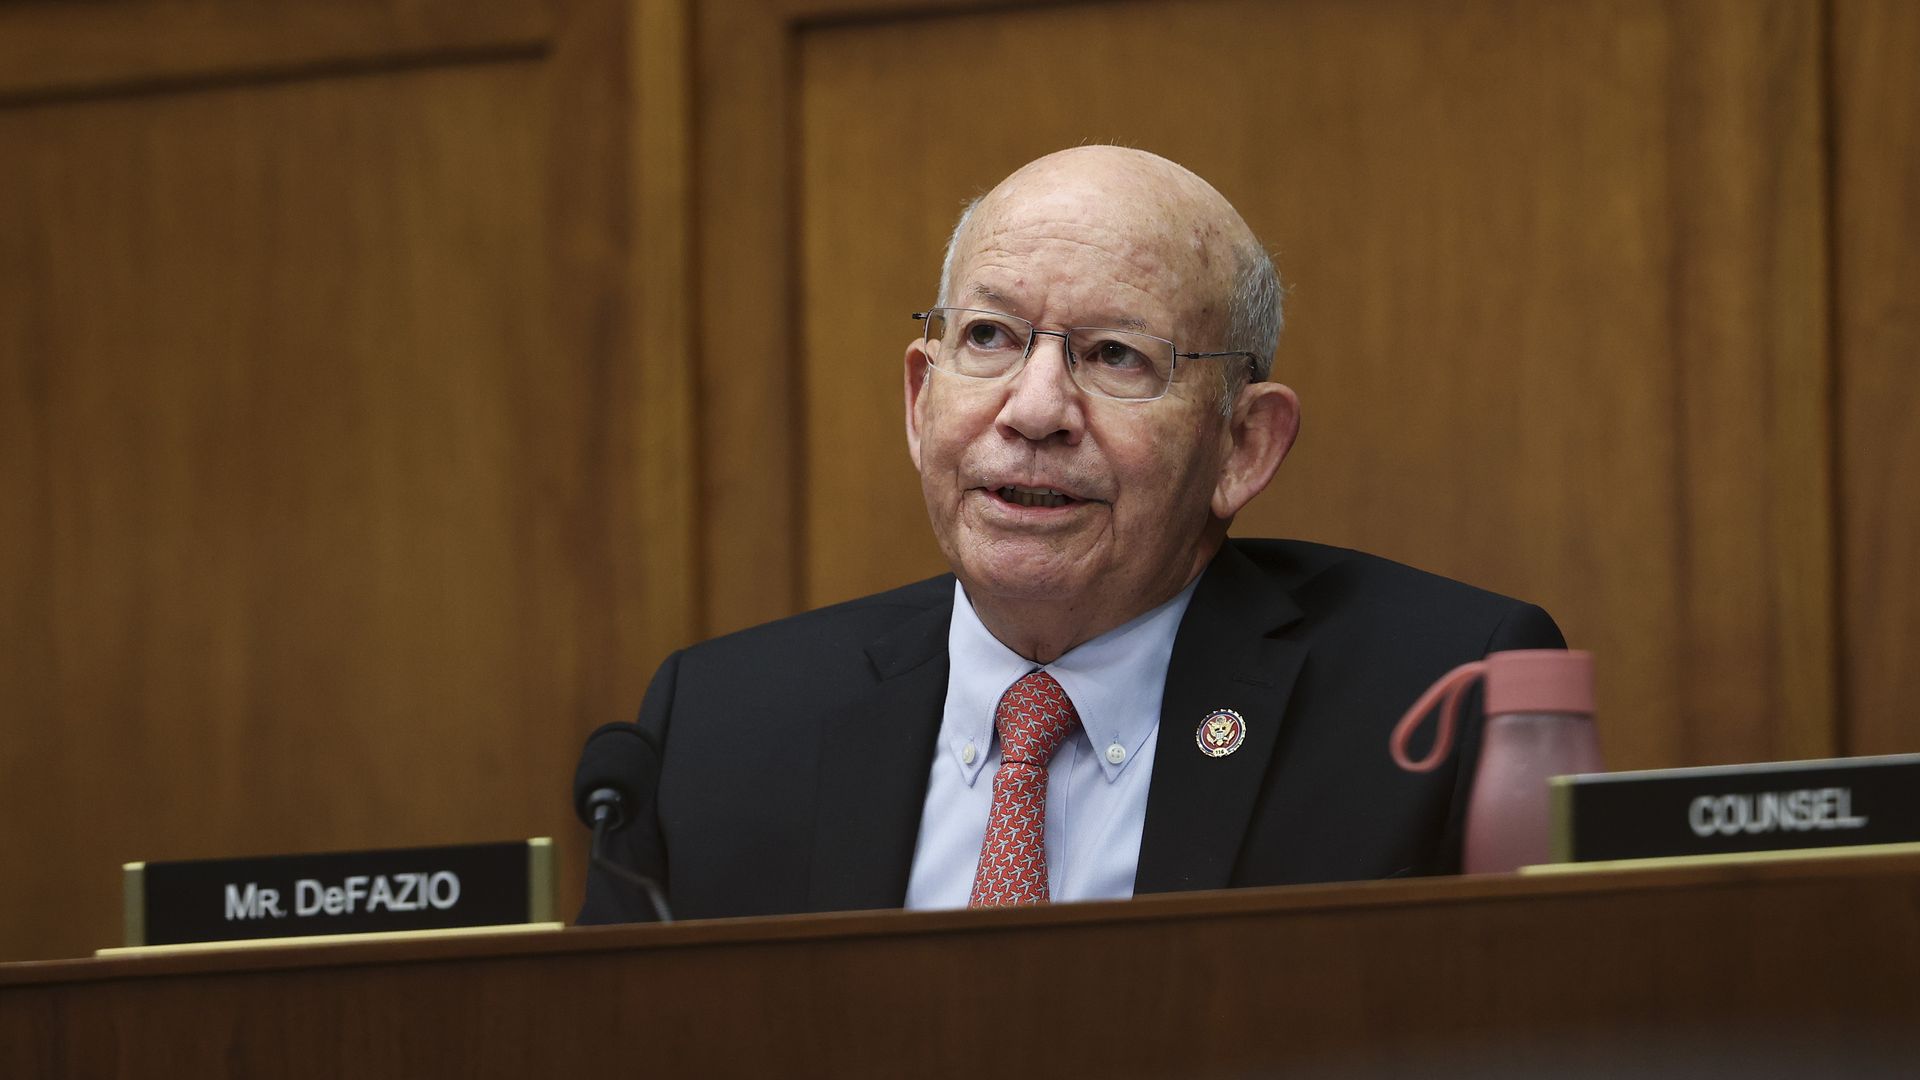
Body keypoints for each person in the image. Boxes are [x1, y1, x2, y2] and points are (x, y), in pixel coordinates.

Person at [577, 146, 1563, 924]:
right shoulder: (717, 732)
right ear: (922, 402)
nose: (1035, 409)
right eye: (991, 339)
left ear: (1244, 446)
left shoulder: (1438, 699)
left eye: (1116, 355)